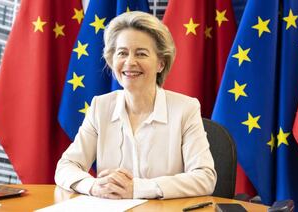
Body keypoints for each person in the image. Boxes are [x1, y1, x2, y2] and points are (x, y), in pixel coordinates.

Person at [55, 11, 216, 200]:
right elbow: (66, 167)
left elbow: (205, 178)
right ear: (111, 60)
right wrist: (94, 186)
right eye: (122, 53)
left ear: (160, 64)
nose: (130, 62)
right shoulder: (101, 107)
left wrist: (138, 188)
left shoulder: (185, 109)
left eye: (141, 53)